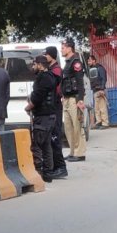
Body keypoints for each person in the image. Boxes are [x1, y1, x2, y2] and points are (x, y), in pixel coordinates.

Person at [25, 54, 60, 181]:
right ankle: (48, 174)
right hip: (49, 116)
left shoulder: (43, 77)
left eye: (34, 64)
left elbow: (38, 96)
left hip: (43, 116)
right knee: (46, 145)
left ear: (40, 65)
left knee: (37, 145)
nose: (33, 67)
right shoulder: (50, 76)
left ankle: (39, 173)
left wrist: (28, 107)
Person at [60, 38, 87, 162]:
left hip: (74, 99)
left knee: (77, 126)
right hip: (66, 98)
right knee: (68, 127)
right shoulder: (67, 63)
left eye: (63, 48)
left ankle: (79, 153)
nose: (61, 50)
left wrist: (80, 99)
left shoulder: (76, 62)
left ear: (70, 48)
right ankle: (72, 151)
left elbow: (80, 82)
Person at [44, 46, 69, 176]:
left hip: (55, 106)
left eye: (46, 55)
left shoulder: (56, 70)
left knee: (55, 137)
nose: (45, 57)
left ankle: (61, 167)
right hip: (50, 107)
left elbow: (57, 89)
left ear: (51, 56)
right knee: (51, 137)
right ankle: (54, 166)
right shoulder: (50, 69)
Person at [87, 53, 109, 128]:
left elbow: (103, 78)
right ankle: (99, 121)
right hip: (94, 90)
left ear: (94, 60)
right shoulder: (91, 69)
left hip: (100, 89)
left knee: (102, 107)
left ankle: (105, 123)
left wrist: (102, 89)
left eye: (90, 60)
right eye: (88, 61)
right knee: (96, 108)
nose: (88, 62)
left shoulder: (100, 68)